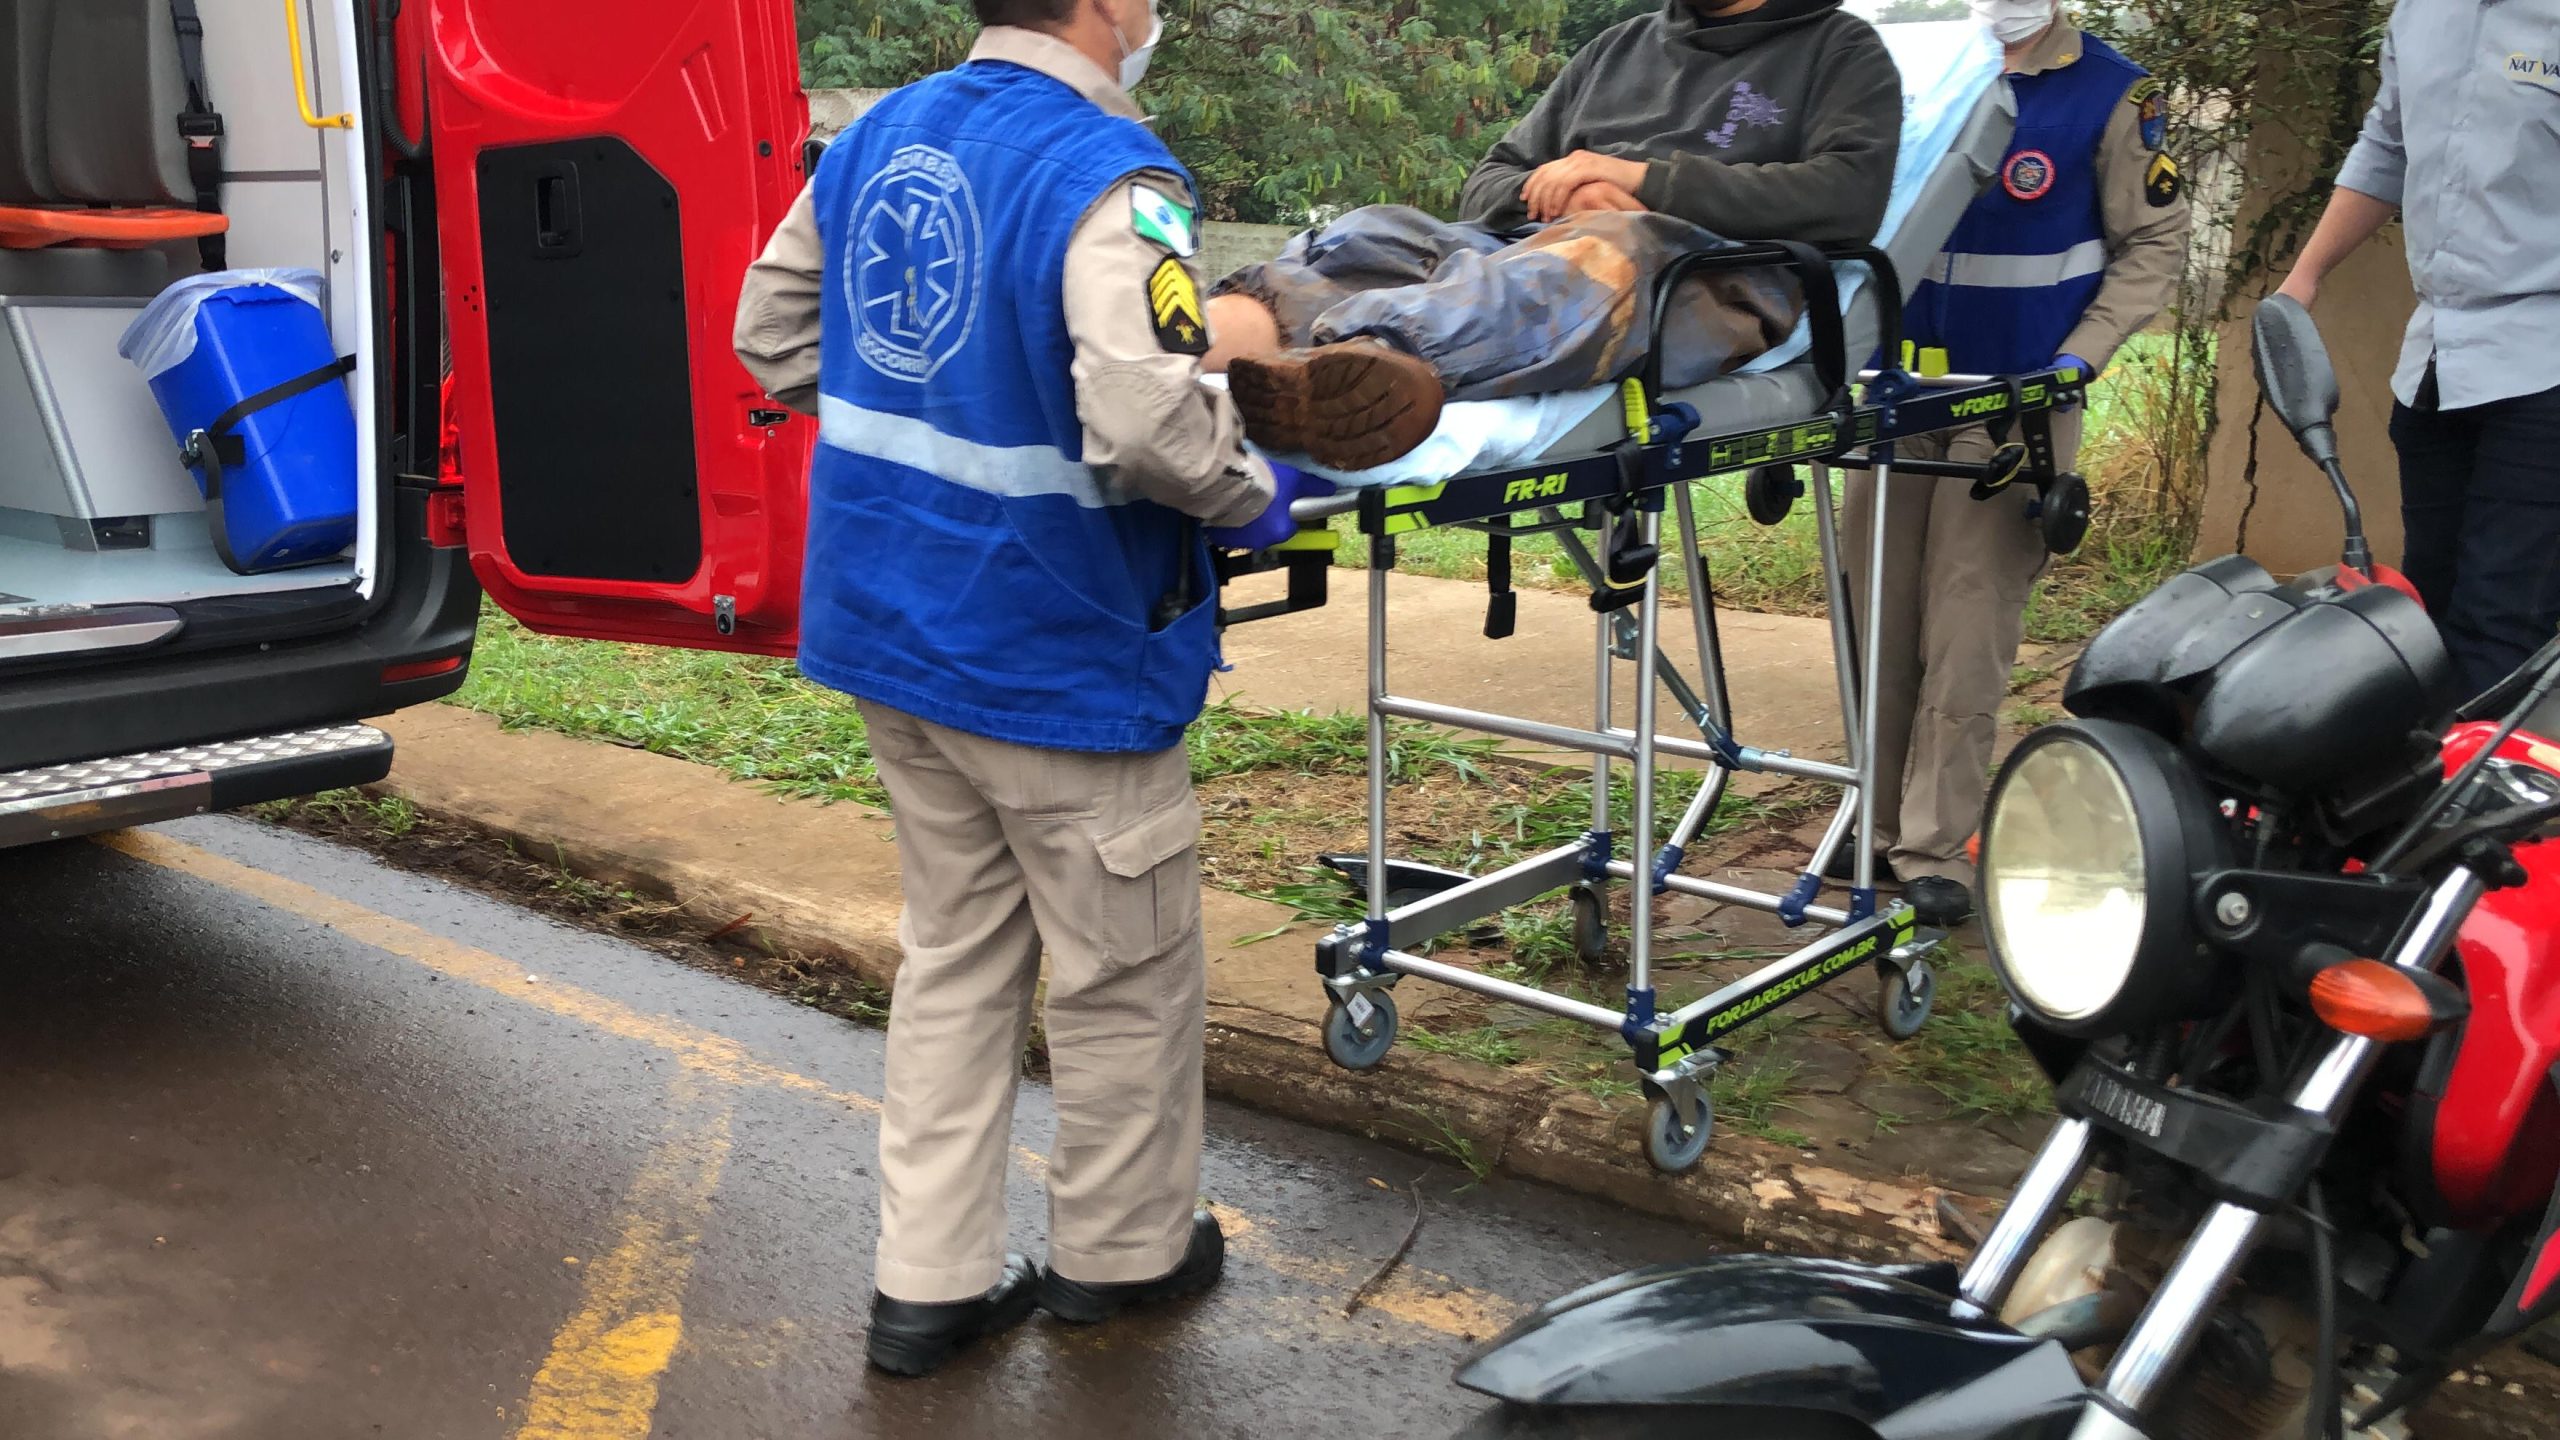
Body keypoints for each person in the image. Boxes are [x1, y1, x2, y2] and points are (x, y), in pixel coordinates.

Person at [732, 0, 1294, 1379]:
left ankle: (924, 1291)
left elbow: (771, 333)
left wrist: (929, 410)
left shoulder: (877, 134)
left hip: (891, 629)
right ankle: (1124, 1256)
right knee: (1123, 973)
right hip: (1057, 647)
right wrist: (1250, 493)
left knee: (956, 961)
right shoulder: (1114, 172)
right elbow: (1150, 415)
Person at [1201, 0, 1905, 471]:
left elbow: (1846, 197)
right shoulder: (1618, 48)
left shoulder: (1842, 50)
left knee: (1612, 245)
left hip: (1696, 279)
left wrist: (1639, 184)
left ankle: (1370, 370)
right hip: (1530, 252)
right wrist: (1554, 190)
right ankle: (1199, 344)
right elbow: (1487, 183)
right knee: (1375, 228)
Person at [1843, 0, 2189, 927]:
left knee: (1966, 628)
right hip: (1892, 396)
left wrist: (2078, 359)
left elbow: (2154, 242)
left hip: (2013, 408)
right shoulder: (1918, 77)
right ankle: (1867, 820)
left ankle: (1931, 848)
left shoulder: (2111, 93)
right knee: (1873, 618)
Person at [2275, 0, 2560, 698]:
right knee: (2426, 603)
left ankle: (2486, 803)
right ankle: (2428, 789)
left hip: (2545, 363)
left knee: (2501, 619)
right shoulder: (2422, 12)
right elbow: (2387, 143)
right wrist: (2302, 279)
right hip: (2437, 361)